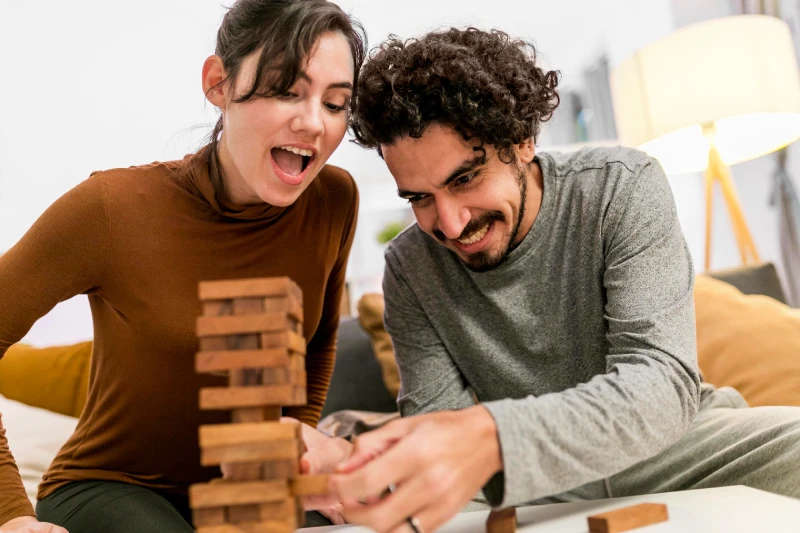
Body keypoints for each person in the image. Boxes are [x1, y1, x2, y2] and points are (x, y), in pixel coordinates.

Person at [326, 27, 800, 533]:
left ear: (522, 141)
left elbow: (661, 386)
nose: (450, 223)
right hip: (521, 480)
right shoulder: (410, 267)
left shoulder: (622, 186)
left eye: (465, 179)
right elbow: (437, 429)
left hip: (678, 448)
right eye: (418, 197)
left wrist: (492, 436)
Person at [0, 1, 365, 532]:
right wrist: (11, 513)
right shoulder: (109, 208)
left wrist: (294, 449)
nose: (314, 122)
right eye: (287, 89)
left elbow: (317, 342)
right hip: (110, 485)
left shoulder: (334, 199)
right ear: (219, 84)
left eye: (336, 103)